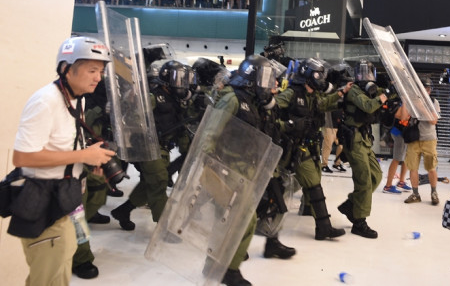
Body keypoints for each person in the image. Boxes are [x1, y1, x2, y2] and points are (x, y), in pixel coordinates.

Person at [12, 37, 115, 285]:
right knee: (49, 277)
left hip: (65, 199)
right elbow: (22, 157)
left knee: (60, 267)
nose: (97, 78)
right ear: (66, 69)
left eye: (100, 71)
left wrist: (89, 161)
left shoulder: (75, 99)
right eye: (91, 70)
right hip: (45, 203)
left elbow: (61, 147)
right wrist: (83, 156)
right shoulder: (46, 101)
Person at [214, 55, 294, 286]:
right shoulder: (232, 99)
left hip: (249, 169)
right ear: (252, 78)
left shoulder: (254, 103)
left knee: (235, 221)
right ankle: (229, 270)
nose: (272, 85)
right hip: (228, 169)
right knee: (243, 222)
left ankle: (218, 265)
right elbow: (210, 134)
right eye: (267, 79)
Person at [110, 60, 196, 231]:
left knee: (153, 182)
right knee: (158, 182)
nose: (182, 84)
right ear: (166, 79)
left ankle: (123, 210)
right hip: (147, 146)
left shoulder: (176, 100)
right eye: (178, 79)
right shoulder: (153, 96)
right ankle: (165, 228)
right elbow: (132, 117)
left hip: (162, 148)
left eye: (183, 80)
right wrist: (147, 132)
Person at [275, 58, 349, 241]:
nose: (321, 79)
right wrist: (288, 125)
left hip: (309, 145)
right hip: (293, 148)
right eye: (317, 75)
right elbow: (271, 111)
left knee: (309, 182)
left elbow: (323, 104)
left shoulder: (312, 96)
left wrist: (341, 94)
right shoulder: (291, 94)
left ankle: (309, 212)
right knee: (313, 184)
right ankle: (324, 227)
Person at [336, 60, 387, 238]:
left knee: (377, 175)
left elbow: (381, 95)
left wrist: (392, 90)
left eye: (370, 72)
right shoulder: (354, 91)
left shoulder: (368, 89)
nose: (367, 76)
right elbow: (368, 105)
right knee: (364, 181)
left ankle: (351, 204)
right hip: (354, 140)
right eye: (364, 73)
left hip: (364, 139)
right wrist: (383, 97)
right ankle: (359, 222)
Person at [401, 77, 441, 205]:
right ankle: (415, 194)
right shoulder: (412, 102)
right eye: (423, 88)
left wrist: (421, 107)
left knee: (431, 167)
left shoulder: (434, 102)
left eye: (428, 89)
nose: (425, 91)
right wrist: (405, 102)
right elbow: (403, 117)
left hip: (429, 139)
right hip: (414, 139)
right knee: (413, 168)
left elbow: (434, 120)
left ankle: (434, 193)